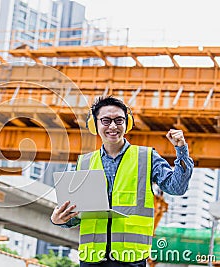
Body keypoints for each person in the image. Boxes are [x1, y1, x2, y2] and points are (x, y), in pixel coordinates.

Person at [50, 96, 193, 267]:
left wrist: (181, 151)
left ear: (127, 124)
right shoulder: (85, 163)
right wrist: (61, 220)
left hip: (130, 258)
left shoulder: (146, 158)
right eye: (106, 120)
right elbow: (81, 213)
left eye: (119, 120)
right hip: (91, 258)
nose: (112, 126)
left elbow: (177, 188)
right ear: (94, 125)